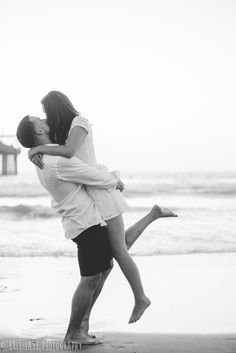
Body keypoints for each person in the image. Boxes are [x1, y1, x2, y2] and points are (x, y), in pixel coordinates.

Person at [16, 115, 177, 348]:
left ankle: (82, 327)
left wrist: (35, 150)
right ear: (38, 132)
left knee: (108, 262)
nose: (43, 118)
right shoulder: (56, 161)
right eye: (38, 119)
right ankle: (73, 332)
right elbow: (92, 175)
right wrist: (115, 180)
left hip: (83, 221)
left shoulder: (45, 158)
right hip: (85, 223)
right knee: (90, 278)